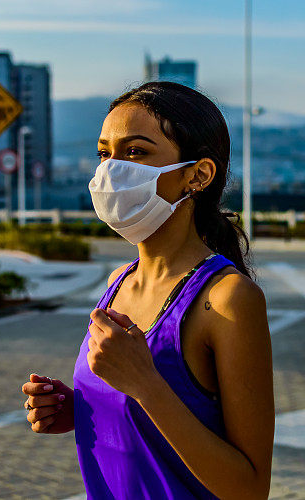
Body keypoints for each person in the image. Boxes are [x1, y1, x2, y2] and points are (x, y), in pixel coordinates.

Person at [21, 81, 274, 499]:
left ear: (198, 175)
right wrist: (82, 410)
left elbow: (249, 489)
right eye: (105, 153)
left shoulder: (228, 299)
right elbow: (148, 426)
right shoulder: (117, 283)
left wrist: (145, 385)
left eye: (136, 152)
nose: (111, 170)